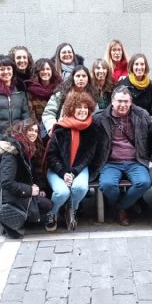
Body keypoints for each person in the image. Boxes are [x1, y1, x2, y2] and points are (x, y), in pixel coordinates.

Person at [94, 86, 152, 226]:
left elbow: (151, 137)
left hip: (135, 160)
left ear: (131, 101)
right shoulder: (100, 118)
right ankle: (126, 205)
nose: (123, 105)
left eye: (126, 101)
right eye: (119, 101)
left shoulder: (142, 115)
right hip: (110, 162)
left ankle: (121, 207)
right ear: (112, 101)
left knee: (144, 183)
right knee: (107, 185)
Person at [0, 119, 53, 238]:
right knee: (46, 205)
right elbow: (6, 182)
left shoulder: (28, 148)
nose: (33, 133)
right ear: (22, 130)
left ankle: (18, 218)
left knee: (47, 202)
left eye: (36, 131)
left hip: (17, 190)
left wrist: (40, 188)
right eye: (30, 130)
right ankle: (10, 219)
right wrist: (30, 190)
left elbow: (34, 174)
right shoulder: (13, 151)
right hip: (5, 195)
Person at [46, 92, 98, 232]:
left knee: (80, 188)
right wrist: (63, 173)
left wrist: (73, 172)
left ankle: (71, 209)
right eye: (78, 107)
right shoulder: (60, 127)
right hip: (58, 169)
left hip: (78, 168)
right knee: (61, 192)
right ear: (71, 109)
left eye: (85, 107)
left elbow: (88, 155)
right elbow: (52, 155)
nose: (83, 110)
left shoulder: (92, 127)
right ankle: (52, 212)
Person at [42, 65, 98, 133]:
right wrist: (52, 128)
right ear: (73, 78)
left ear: (88, 78)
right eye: (78, 76)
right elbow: (48, 113)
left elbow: (95, 115)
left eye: (84, 76)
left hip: (86, 132)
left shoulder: (92, 95)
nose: (81, 79)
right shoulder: (61, 94)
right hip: (63, 131)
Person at [25, 58, 61, 122]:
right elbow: (31, 113)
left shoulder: (60, 88)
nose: (45, 72)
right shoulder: (31, 90)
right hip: (38, 126)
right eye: (42, 69)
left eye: (48, 69)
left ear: (52, 71)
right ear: (37, 72)